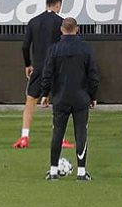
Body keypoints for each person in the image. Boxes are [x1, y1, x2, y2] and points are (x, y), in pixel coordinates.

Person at [40, 18, 100, 181]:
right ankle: (81, 172)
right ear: (77, 29)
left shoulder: (54, 49)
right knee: (81, 132)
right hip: (81, 97)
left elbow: (47, 74)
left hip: (60, 98)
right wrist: (93, 96)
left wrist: (45, 94)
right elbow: (93, 75)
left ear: (61, 29)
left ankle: (53, 171)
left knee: (57, 132)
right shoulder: (86, 49)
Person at [13, 0, 74, 150]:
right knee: (59, 103)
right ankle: (60, 139)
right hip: (56, 67)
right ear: (58, 4)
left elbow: (25, 46)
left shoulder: (33, 22)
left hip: (39, 67)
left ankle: (24, 137)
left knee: (30, 101)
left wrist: (28, 64)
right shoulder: (61, 22)